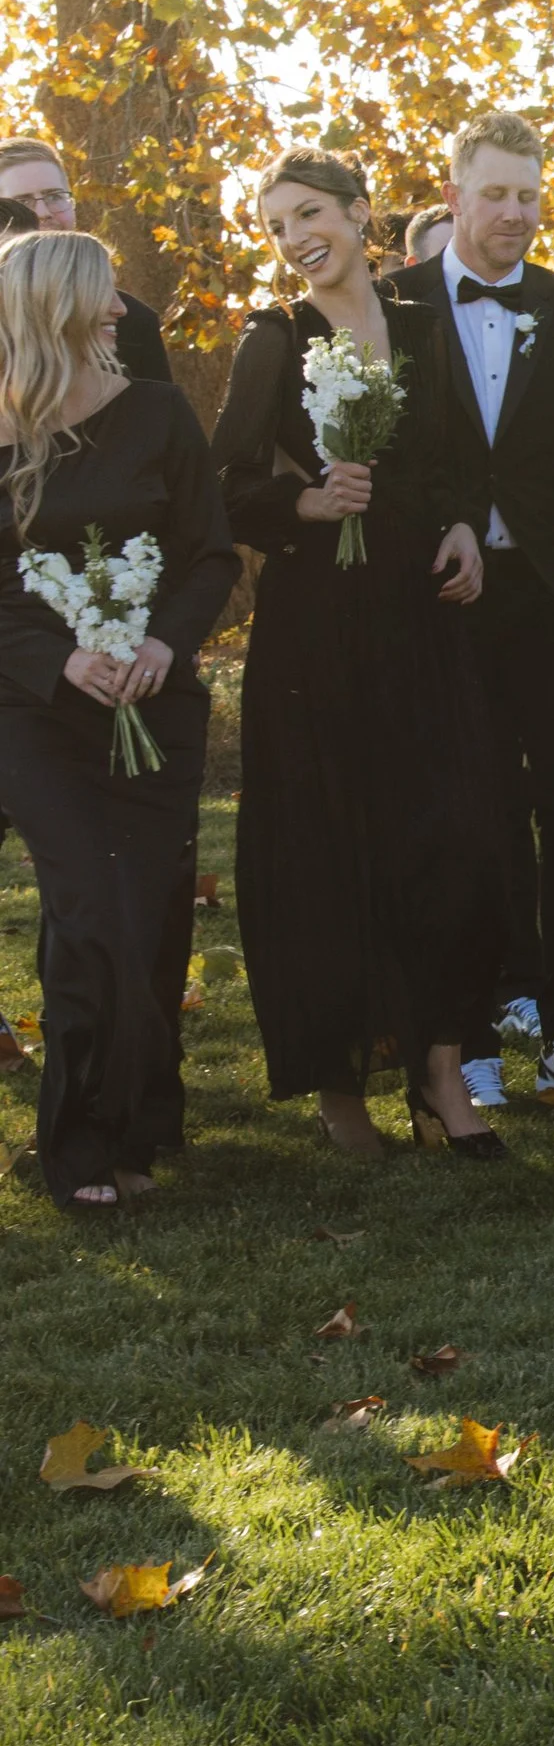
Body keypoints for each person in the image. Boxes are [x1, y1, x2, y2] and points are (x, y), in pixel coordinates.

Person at [210, 152, 508, 1158]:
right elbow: (226, 484)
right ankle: (339, 1087)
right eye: (276, 225)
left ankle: (440, 1068)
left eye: (308, 213)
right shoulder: (273, 338)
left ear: (359, 214)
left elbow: (464, 458)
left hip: (424, 616)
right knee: (325, 849)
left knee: (452, 837)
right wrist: (304, 502)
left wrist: (466, 524)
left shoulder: (426, 326)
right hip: (315, 632)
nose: (295, 237)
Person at [384, 113, 554, 1110]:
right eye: (494, 193)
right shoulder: (392, 304)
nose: (514, 213)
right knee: (470, 819)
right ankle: (476, 1029)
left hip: (551, 603)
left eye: (529, 196)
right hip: (439, 605)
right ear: (452, 196)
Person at [0, 231, 238, 1211]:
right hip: (35, 714)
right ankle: (76, 1147)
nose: (117, 312)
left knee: (140, 924)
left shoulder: (158, 413)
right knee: (89, 914)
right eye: (102, 295)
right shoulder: (3, 431)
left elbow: (211, 556)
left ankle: (134, 1131)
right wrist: (62, 661)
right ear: (55, 305)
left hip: (155, 705)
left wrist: (160, 647)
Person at [0, 139, 172, 382]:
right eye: (22, 202)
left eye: (54, 196)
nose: (44, 212)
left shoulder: (130, 321)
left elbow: (156, 415)